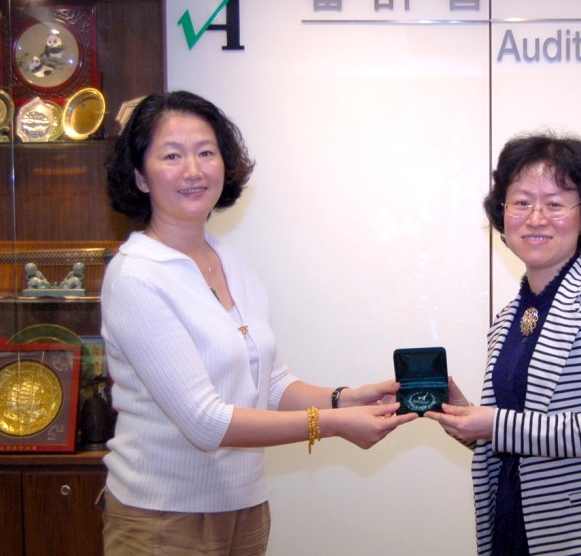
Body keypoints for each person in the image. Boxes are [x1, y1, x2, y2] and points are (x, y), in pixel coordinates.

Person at [100, 90, 417, 556]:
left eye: (206, 153)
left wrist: (348, 397)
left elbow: (270, 383)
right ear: (140, 176)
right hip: (162, 521)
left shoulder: (233, 261)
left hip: (245, 509)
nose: (193, 170)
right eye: (172, 156)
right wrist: (332, 423)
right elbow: (205, 423)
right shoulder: (136, 276)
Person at [425, 132, 581, 556]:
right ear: (502, 215)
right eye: (520, 202)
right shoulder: (510, 317)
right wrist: (467, 419)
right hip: (514, 526)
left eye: (554, 203)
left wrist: (494, 423)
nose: (535, 218)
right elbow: (521, 431)